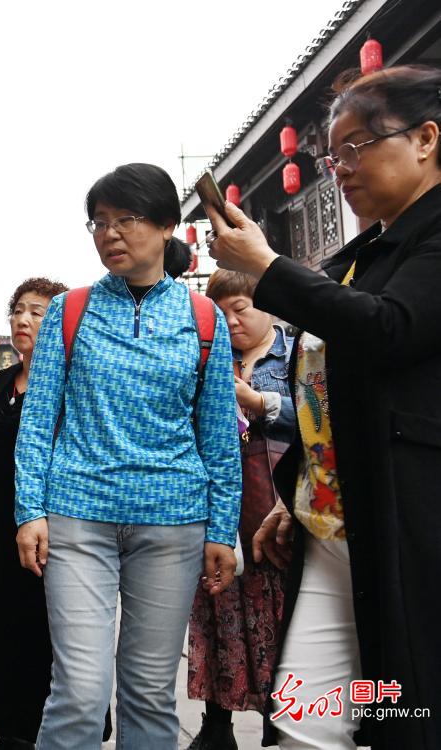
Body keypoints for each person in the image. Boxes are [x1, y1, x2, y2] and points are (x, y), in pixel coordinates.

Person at [205, 64, 441, 750]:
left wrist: (269, 266)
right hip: (335, 523)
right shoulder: (365, 252)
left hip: (408, 522)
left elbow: (388, 330)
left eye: (357, 145)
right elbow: (330, 392)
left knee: (408, 714)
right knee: (306, 721)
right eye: (331, 154)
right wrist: (301, 494)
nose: (338, 167)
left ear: (426, 138)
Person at [14, 163, 241, 750]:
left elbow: (217, 432)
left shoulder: (203, 318)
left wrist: (223, 527)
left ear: (168, 226)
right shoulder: (71, 310)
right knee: (80, 690)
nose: (110, 233)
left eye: (127, 220)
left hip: (173, 524)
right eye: (99, 222)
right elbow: (39, 419)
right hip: (77, 516)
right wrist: (28, 512)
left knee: (147, 690)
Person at [0, 278, 82, 749]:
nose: (22, 319)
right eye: (17, 310)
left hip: (53, 522)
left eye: (36, 311)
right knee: (1, 622)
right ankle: (10, 728)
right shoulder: (1, 380)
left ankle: (51, 728)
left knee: (47, 627)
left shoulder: (75, 378)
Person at [186, 270, 295, 750]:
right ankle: (216, 725)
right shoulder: (207, 360)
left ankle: (284, 725)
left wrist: (260, 402)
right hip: (221, 510)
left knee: (284, 617)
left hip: (280, 506)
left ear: (267, 305)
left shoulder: (292, 356)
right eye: (221, 312)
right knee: (219, 612)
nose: (231, 321)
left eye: (241, 308)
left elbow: (322, 413)